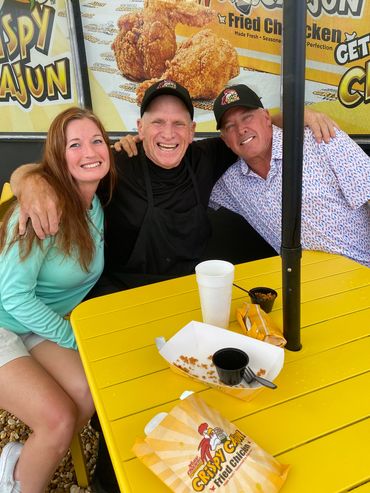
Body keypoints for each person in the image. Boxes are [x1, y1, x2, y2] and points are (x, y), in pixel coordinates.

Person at [9, 80, 338, 492]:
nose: (169, 133)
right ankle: (114, 479)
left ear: (193, 129)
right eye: (158, 122)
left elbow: (248, 124)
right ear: (139, 128)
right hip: (119, 299)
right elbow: (53, 170)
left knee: (213, 386)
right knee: (124, 397)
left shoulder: (207, 156)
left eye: (179, 123)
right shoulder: (113, 164)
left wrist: (300, 116)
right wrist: (27, 180)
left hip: (185, 297)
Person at [0, 107, 116, 493]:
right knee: (59, 419)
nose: (90, 150)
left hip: (36, 320)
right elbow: (12, 296)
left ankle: (28, 456)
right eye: (75, 144)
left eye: (97, 140)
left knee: (88, 392)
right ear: (57, 154)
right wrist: (70, 337)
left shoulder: (95, 204)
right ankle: (16, 479)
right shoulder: (41, 208)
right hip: (5, 319)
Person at [209, 84, 370, 266]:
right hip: (303, 285)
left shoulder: (321, 138)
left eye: (248, 117)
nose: (241, 129)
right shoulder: (231, 181)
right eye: (230, 126)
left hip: (361, 274)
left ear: (266, 117)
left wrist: (297, 115)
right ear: (225, 140)